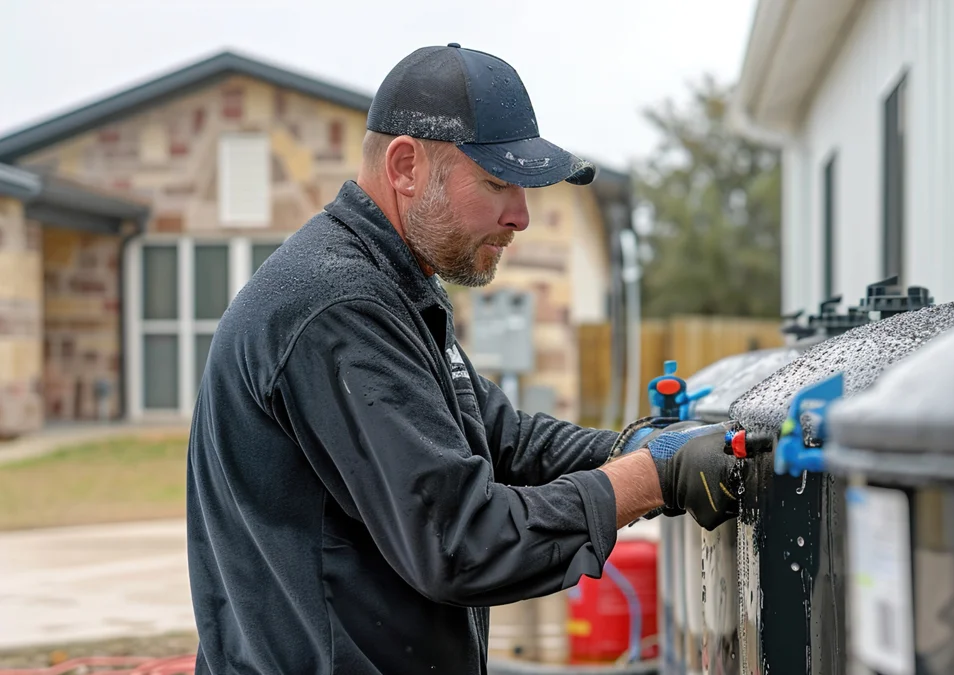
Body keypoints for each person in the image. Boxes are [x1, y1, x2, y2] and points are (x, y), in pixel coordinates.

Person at [186, 44, 741, 674]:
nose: (521, 216)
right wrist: (651, 478)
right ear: (405, 166)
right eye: (498, 183)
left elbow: (504, 440)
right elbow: (458, 539)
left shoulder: (393, 286)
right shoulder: (338, 306)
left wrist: (637, 446)